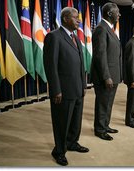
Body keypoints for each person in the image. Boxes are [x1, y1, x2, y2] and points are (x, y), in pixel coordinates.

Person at [43, 7, 89, 166]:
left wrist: (84, 85)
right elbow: (50, 66)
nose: (79, 20)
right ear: (65, 19)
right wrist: (56, 89)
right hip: (63, 90)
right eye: (75, 18)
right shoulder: (53, 37)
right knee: (62, 122)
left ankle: (72, 143)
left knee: (76, 121)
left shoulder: (75, 37)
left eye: (79, 18)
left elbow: (81, 64)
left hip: (77, 88)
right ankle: (59, 151)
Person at [90, 2, 122, 141]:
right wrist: (106, 76)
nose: (119, 14)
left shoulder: (108, 28)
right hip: (105, 76)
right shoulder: (101, 29)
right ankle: (100, 129)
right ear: (109, 13)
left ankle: (105, 125)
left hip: (112, 74)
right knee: (103, 103)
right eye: (117, 12)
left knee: (108, 103)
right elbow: (100, 55)